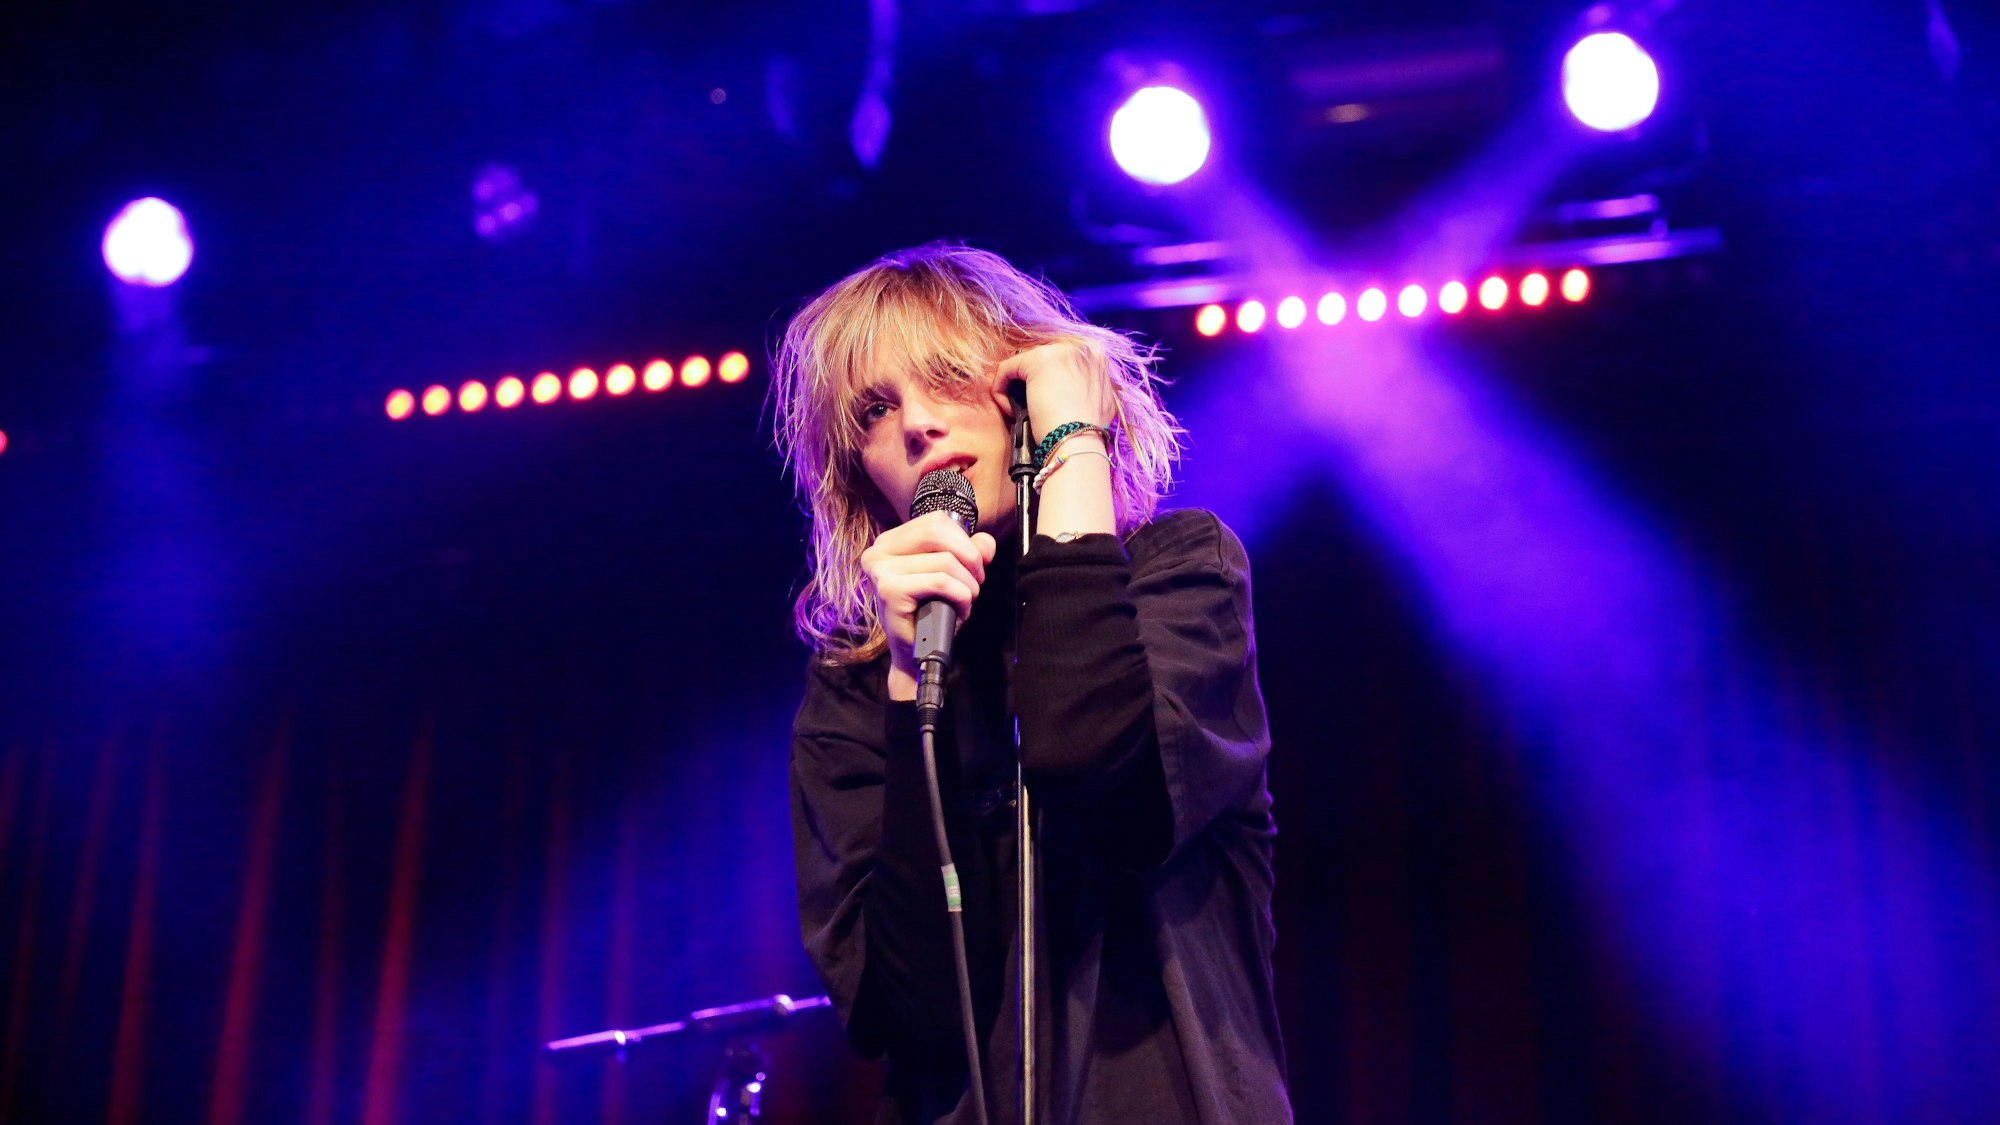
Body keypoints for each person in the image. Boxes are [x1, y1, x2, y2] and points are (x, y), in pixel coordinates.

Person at [774, 243, 1288, 1124]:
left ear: (1028, 388)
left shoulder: (1179, 573)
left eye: (946, 376)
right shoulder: (858, 688)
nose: (917, 425)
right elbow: (911, 1011)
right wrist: (908, 687)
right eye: (874, 409)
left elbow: (1110, 792)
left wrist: (1073, 445)